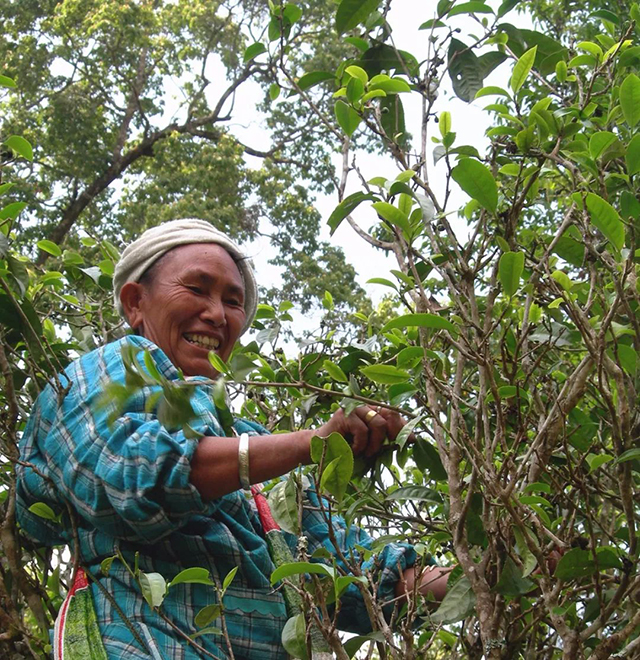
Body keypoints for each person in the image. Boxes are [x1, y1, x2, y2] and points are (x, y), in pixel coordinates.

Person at [17, 219, 450, 659]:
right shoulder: (104, 373)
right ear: (135, 302)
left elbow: (349, 574)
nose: (218, 314)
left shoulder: (249, 442)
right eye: (197, 289)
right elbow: (130, 477)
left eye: (233, 301)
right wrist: (312, 442)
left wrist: (480, 577)